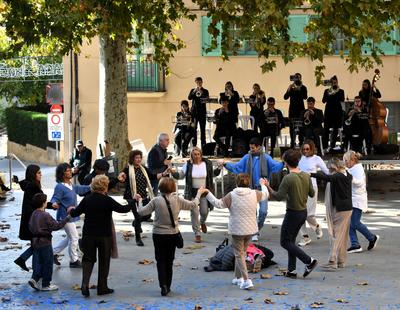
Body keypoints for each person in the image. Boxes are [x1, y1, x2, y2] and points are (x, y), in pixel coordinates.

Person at [137, 177, 206, 296]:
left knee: (160, 261)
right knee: (169, 261)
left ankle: (162, 285)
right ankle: (168, 285)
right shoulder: (177, 199)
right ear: (173, 187)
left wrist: (139, 201)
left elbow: (142, 212)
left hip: (158, 234)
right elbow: (193, 205)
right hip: (172, 234)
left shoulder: (156, 200)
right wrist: (199, 194)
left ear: (160, 187)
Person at [68, 175, 134, 297]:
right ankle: (102, 287)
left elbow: (75, 212)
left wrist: (70, 210)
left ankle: (84, 285)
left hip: (89, 234)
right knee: (104, 261)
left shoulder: (87, 199)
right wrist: (134, 200)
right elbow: (123, 209)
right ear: (105, 187)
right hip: (104, 235)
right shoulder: (107, 200)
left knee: (88, 259)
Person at [204, 173, 269, 290]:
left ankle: (246, 279)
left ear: (236, 182)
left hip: (237, 229)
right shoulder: (255, 194)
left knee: (239, 254)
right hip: (250, 229)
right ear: (248, 182)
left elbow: (218, 204)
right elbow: (265, 194)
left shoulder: (232, 195)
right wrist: (262, 184)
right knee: (243, 252)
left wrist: (208, 193)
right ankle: (237, 277)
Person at [264, 149, 318, 278]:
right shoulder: (305, 175)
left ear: (286, 163)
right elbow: (312, 193)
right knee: (291, 241)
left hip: (293, 213)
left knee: (285, 242)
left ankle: (309, 261)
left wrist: (267, 186)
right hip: (302, 212)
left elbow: (278, 196)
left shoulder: (288, 178)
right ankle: (291, 270)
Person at [220, 137, 284, 241]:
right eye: (250, 148)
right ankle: (253, 232)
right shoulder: (246, 157)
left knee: (263, 212)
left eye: (253, 148)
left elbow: (275, 166)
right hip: (250, 190)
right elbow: (237, 167)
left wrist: (284, 163)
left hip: (262, 189)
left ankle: (256, 229)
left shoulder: (266, 157)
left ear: (259, 147)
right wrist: (226, 164)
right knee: (252, 212)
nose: (251, 150)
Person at [119, 149, 170, 246]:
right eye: (136, 158)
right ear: (132, 159)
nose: (138, 160)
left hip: (143, 195)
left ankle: (136, 222)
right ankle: (138, 238)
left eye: (140, 158)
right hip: (132, 196)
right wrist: (121, 177)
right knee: (138, 216)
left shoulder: (143, 168)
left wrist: (163, 173)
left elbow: (153, 176)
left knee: (147, 215)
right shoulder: (127, 169)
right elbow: (122, 177)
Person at [172, 147, 221, 243]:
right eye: (195, 154)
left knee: (204, 212)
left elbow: (213, 175)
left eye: (198, 154)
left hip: (204, 192)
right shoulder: (188, 165)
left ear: (201, 155)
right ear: (191, 155)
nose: (197, 156)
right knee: (194, 213)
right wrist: (173, 173)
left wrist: (219, 168)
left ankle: (202, 222)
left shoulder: (207, 164)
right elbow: (181, 176)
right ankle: (197, 233)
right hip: (192, 192)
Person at [310, 158, 353, 270]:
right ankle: (341, 261)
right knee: (342, 236)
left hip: (341, 209)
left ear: (334, 167)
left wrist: (310, 174)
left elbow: (327, 177)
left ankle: (332, 260)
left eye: (329, 169)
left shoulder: (338, 176)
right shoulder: (347, 174)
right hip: (347, 208)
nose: (328, 171)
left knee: (336, 235)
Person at [14, 165, 58, 272]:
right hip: (34, 221)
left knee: (36, 244)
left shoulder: (29, 185)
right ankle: (35, 272)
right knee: (38, 245)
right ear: (33, 174)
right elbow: (38, 202)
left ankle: (24, 260)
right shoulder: (33, 186)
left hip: (31, 219)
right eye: (38, 173)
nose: (41, 174)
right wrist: (51, 205)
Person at [28, 193, 71, 291]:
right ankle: (46, 284)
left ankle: (34, 278)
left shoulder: (33, 214)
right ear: (44, 203)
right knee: (47, 262)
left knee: (38, 262)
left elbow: (30, 226)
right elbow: (56, 226)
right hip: (45, 242)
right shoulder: (45, 215)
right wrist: (67, 218)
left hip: (35, 241)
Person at [51, 163, 91, 268]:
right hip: (64, 217)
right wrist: (54, 203)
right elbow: (55, 198)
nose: (70, 172)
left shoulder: (71, 185)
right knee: (74, 237)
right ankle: (74, 261)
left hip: (71, 216)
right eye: (67, 170)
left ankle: (52, 253)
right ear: (62, 173)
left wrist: (92, 186)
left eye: (70, 170)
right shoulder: (59, 187)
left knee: (70, 237)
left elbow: (81, 189)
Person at [343, 151, 379, 253]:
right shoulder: (350, 168)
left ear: (353, 160)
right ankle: (355, 244)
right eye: (344, 161)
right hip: (352, 199)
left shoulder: (358, 169)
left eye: (346, 160)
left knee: (355, 222)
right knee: (350, 222)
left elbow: (359, 183)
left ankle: (372, 238)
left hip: (358, 199)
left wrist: (350, 177)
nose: (344, 163)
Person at [297, 140, 329, 246]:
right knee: (300, 213)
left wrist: (336, 177)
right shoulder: (300, 158)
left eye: (308, 149)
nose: (305, 151)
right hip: (300, 187)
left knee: (309, 215)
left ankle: (316, 226)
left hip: (312, 187)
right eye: (304, 149)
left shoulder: (317, 159)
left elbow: (326, 171)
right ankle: (305, 237)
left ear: (312, 149)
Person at [283, 73, 307, 148]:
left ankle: (301, 142)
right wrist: (288, 89)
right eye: (295, 77)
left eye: (298, 77)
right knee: (292, 127)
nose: (297, 79)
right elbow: (285, 97)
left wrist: (300, 90)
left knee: (301, 127)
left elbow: (305, 97)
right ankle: (292, 143)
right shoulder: (291, 87)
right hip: (292, 110)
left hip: (300, 110)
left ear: (300, 78)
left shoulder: (303, 87)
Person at [322, 76, 345, 152]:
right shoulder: (327, 91)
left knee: (335, 130)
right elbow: (323, 100)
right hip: (328, 112)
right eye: (332, 82)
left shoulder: (341, 91)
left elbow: (342, 99)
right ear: (331, 83)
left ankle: (332, 146)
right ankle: (325, 147)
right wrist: (329, 93)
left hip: (337, 113)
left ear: (337, 82)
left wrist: (335, 93)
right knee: (325, 130)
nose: (334, 83)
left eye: (335, 82)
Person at [188, 77, 209, 147]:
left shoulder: (205, 91)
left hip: (202, 112)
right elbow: (189, 98)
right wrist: (194, 91)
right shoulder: (192, 90)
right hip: (194, 113)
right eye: (197, 82)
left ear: (202, 82)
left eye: (200, 82)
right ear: (195, 83)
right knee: (194, 129)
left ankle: (203, 145)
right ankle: (194, 145)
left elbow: (207, 99)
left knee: (203, 129)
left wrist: (202, 93)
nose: (199, 83)